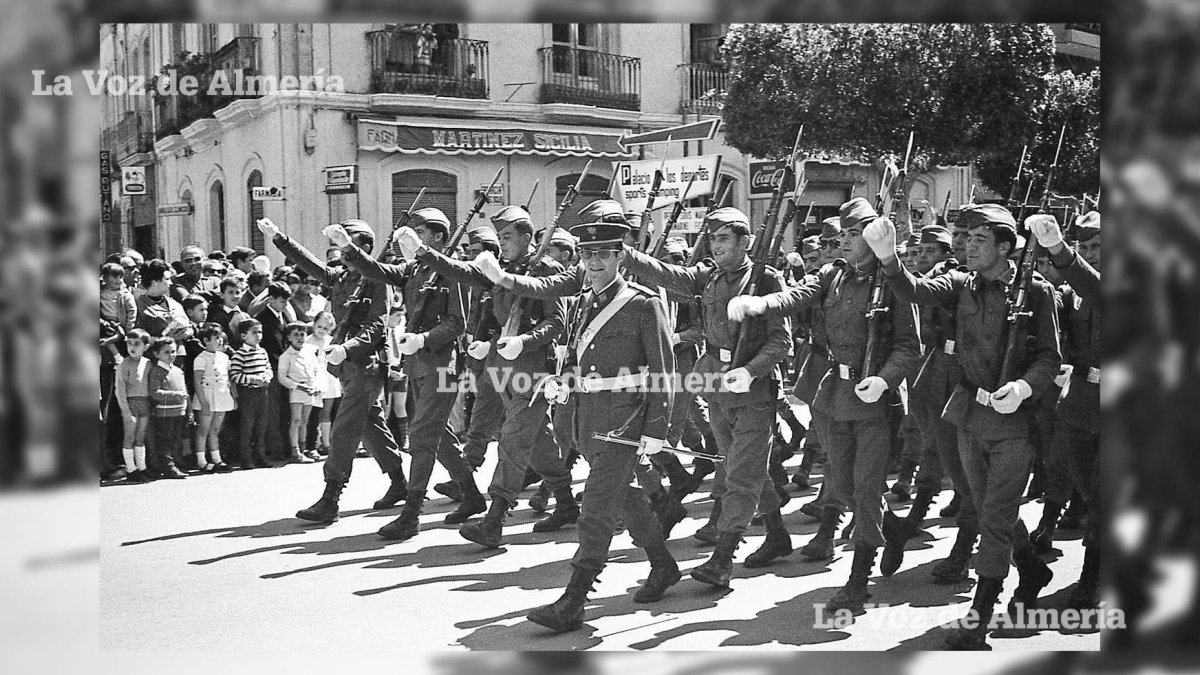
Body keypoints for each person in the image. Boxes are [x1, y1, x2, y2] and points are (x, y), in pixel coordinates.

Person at [484, 206, 792, 589]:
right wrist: (627, 254)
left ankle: (722, 557)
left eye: (723, 239)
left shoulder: (765, 279)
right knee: (739, 464)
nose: (715, 246)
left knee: (741, 474)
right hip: (715, 384)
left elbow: (781, 340)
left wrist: (750, 370)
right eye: (711, 239)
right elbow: (668, 273)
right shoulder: (707, 278)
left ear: (745, 241)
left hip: (753, 389)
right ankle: (774, 533)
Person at [861, 203, 1061, 650]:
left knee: (992, 514)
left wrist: (1025, 389)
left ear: (1005, 247)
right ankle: (1031, 568)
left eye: (979, 240)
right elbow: (916, 291)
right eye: (965, 239)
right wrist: (889, 259)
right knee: (983, 503)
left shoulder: (1037, 292)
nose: (967, 247)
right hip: (969, 414)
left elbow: (1051, 357)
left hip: (1015, 422)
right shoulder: (961, 284)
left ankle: (980, 616)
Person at [728, 197, 922, 611]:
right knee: (845, 485)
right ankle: (892, 529)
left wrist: (884, 380)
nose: (845, 243)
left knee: (866, 489)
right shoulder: (833, 276)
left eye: (856, 235)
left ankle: (857, 581)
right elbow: (798, 295)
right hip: (834, 396)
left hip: (874, 401)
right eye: (845, 235)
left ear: (876, 239)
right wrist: (762, 304)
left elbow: (909, 347)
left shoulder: (895, 282)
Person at [523, 218, 680, 633]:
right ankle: (663, 565)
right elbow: (575, 358)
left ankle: (575, 598)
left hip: (625, 422)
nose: (594, 262)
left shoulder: (643, 303)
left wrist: (656, 430)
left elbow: (664, 371)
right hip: (587, 420)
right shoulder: (582, 303)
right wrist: (562, 381)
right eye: (587, 254)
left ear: (620, 257)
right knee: (625, 498)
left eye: (603, 254)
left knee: (594, 509)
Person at [394, 205, 570, 548]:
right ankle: (565, 502)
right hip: (501, 366)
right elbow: (461, 271)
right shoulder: (498, 268)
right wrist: (423, 253)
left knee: (514, 438)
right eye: (500, 236)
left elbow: (557, 322)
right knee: (537, 442)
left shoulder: (548, 269)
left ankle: (495, 517)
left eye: (507, 237)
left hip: (533, 369)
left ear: (526, 237)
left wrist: (525, 340)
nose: (501, 244)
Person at [329, 208, 485, 539]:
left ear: (438, 237)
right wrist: (348, 249)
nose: (407, 237)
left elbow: (457, 324)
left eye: (419, 232)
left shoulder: (451, 272)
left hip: (444, 367)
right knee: (437, 435)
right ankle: (471, 496)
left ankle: (412, 513)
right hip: (417, 365)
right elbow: (378, 270)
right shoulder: (415, 269)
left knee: (422, 436)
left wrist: (424, 339)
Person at [258, 217, 407, 522]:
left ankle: (331, 498)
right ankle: (400, 483)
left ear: (364, 247)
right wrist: (279, 238)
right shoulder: (342, 278)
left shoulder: (378, 280)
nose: (340, 252)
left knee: (344, 428)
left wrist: (347, 348)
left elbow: (377, 325)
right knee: (370, 425)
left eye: (346, 243)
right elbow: (309, 263)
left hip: (366, 364)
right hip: (347, 367)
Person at [1028, 210, 1102, 609]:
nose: (1091, 252)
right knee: (1087, 489)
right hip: (1080, 405)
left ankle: (1091, 581)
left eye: (1097, 246)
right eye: (1084, 246)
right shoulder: (1070, 295)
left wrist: (1059, 250)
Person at [191, 322, 235, 473]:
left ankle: (216, 459)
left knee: (215, 429)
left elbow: (228, 379)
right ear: (206, 341)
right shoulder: (200, 358)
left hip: (221, 395)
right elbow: (197, 381)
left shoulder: (224, 357)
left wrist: (233, 397)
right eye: (216, 338)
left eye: (220, 337)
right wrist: (203, 402)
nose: (220, 340)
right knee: (204, 429)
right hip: (207, 396)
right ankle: (201, 460)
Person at [277, 321, 322, 464]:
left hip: (309, 390)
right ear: (289, 337)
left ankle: (303, 449)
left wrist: (314, 386)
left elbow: (315, 371)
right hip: (296, 391)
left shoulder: (309, 353)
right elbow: (282, 377)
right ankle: (294, 450)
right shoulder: (286, 356)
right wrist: (297, 386)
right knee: (296, 420)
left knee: (305, 420)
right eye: (295, 335)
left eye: (302, 334)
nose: (300, 338)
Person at [229, 318, 272, 468]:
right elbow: (234, 375)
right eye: (254, 332)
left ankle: (260, 456)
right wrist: (253, 379)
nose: (258, 335)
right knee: (247, 426)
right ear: (243, 336)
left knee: (261, 426)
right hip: (248, 393)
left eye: (260, 332)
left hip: (262, 393)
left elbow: (268, 368)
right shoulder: (240, 354)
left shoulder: (262, 351)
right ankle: (246, 458)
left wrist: (267, 377)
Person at [146, 337, 189, 479]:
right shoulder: (157, 371)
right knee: (166, 440)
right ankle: (168, 467)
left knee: (176, 439)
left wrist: (188, 409)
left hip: (179, 411)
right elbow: (155, 392)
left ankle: (176, 462)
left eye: (173, 351)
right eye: (166, 352)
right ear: (156, 354)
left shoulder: (177, 370)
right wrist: (175, 395)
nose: (171, 355)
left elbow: (185, 392)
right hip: (165, 412)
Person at [115, 328, 153, 483]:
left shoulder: (148, 363)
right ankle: (131, 469)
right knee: (129, 436)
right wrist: (126, 411)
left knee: (140, 437)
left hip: (145, 403)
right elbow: (120, 389)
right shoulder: (124, 364)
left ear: (146, 346)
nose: (132, 347)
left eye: (137, 344)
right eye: (129, 343)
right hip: (130, 403)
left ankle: (142, 467)